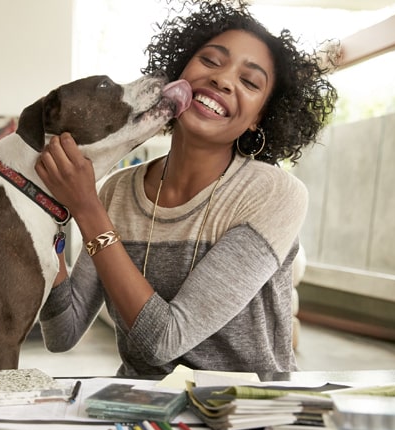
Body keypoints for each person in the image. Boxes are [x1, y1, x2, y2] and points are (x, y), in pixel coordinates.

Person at [34, 0, 337, 376]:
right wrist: (49, 215)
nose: (223, 80)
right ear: (179, 76)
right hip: (140, 407)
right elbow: (62, 333)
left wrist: (86, 208)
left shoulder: (275, 194)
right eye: (211, 61)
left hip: (243, 412)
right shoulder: (118, 191)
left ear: (260, 117)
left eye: (249, 81)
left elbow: (164, 341)